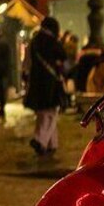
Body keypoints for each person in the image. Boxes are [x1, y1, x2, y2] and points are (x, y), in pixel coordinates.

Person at [24, 17, 66, 155]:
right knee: (51, 113)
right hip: (51, 82)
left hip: (36, 82)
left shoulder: (34, 41)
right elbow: (63, 55)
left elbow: (27, 63)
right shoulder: (52, 41)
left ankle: (52, 144)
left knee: (42, 113)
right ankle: (40, 141)